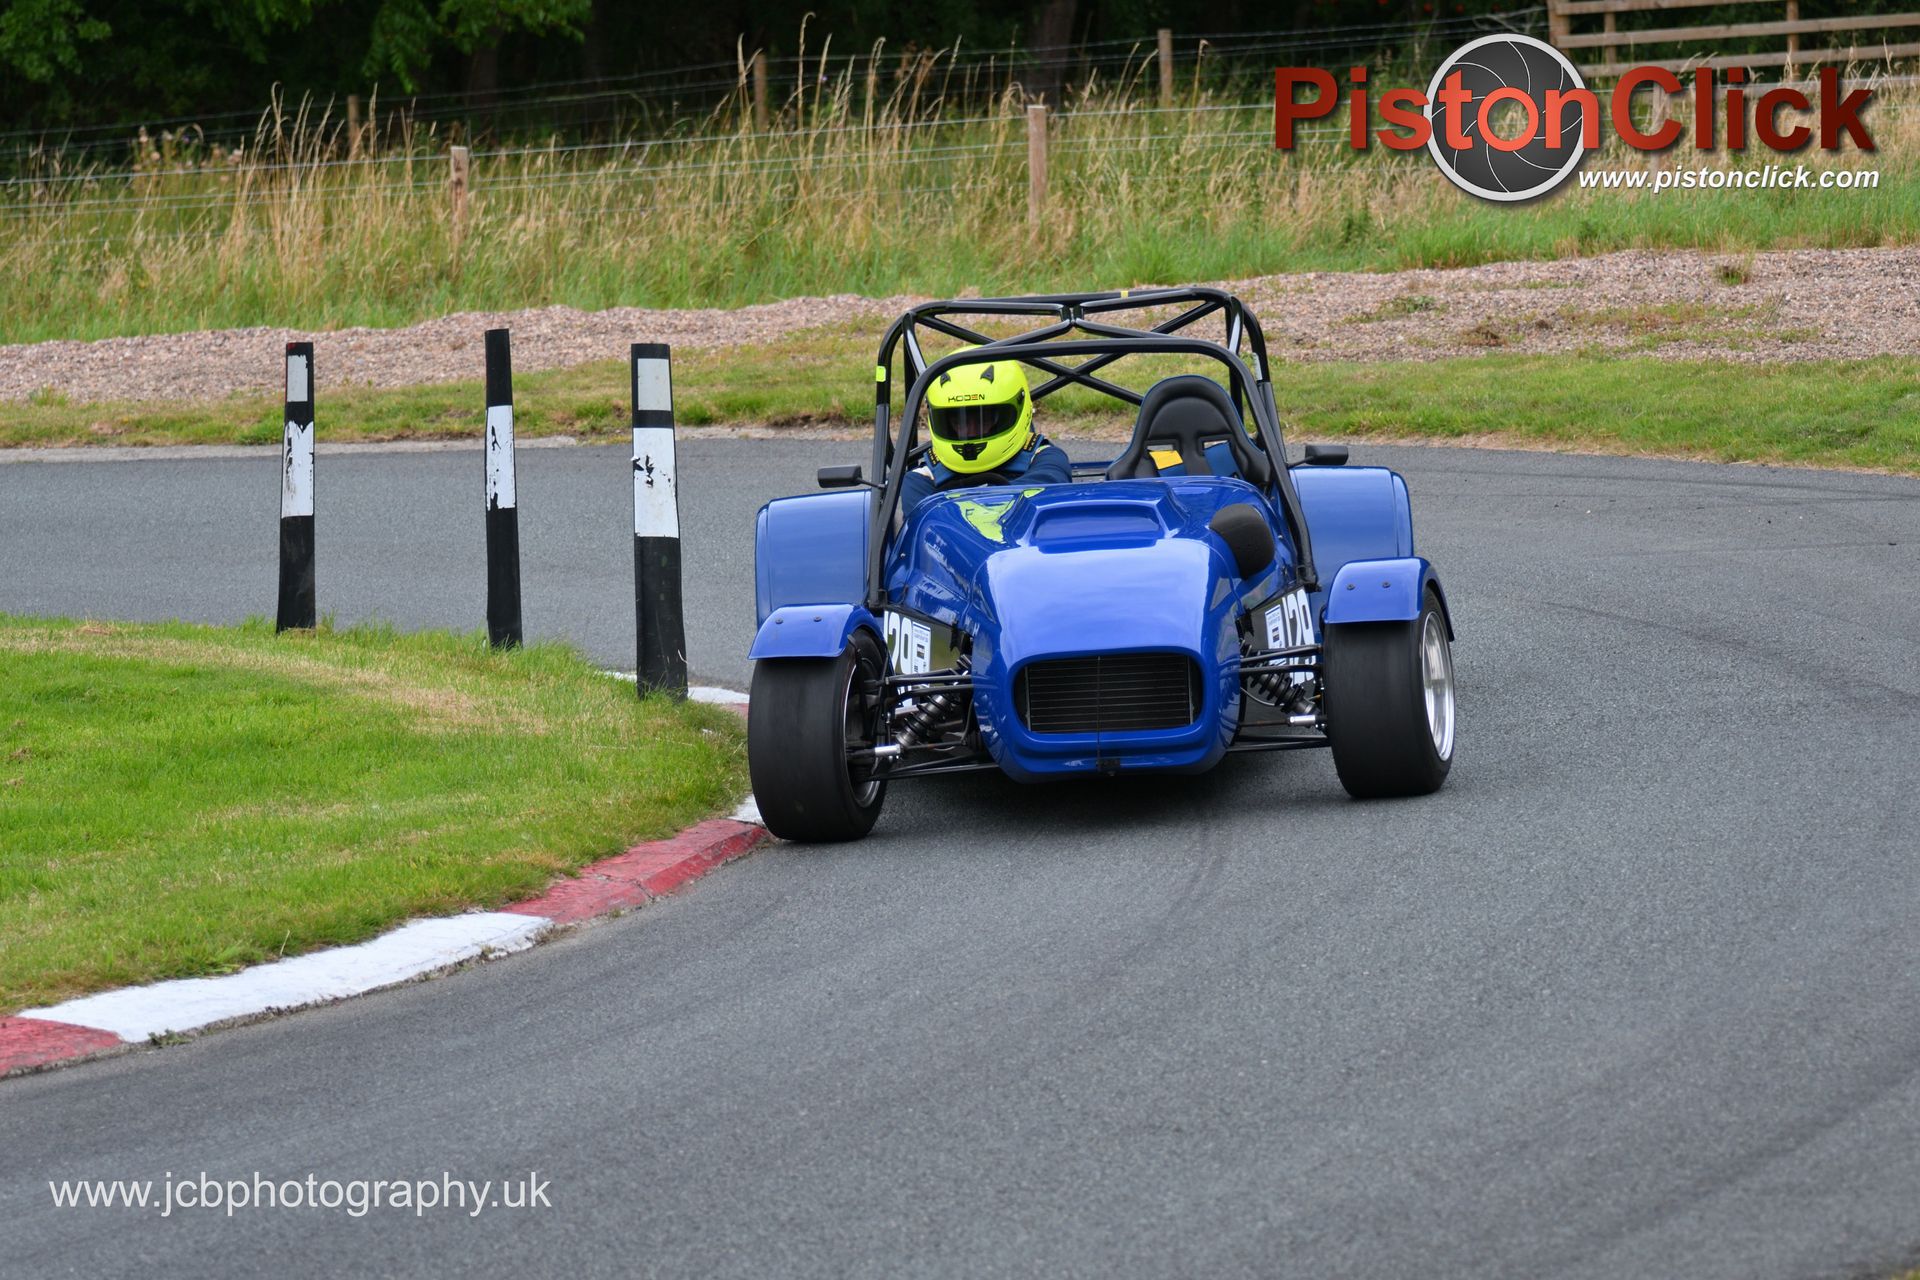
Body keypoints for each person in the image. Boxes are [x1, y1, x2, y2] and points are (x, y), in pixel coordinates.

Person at [899, 352, 1071, 513]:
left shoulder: (1046, 460)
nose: (972, 432)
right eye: (960, 421)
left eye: (985, 419)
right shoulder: (921, 479)